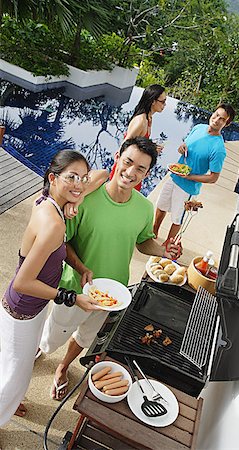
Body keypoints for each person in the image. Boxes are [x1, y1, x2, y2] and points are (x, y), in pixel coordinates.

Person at [39, 137, 182, 400]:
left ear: (147, 174)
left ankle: (63, 367)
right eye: (128, 162)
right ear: (117, 157)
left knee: (85, 337)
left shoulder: (143, 207)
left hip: (114, 294)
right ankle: (41, 349)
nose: (131, 172)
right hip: (75, 289)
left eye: (140, 168)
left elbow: (143, 242)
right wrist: (81, 267)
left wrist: (164, 250)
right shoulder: (86, 199)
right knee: (51, 338)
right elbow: (64, 241)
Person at [0, 150, 106, 427]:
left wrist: (80, 267)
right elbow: (23, 281)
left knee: (10, 366)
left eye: (82, 178)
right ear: (53, 178)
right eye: (71, 177)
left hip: (28, 307)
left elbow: (102, 175)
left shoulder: (47, 201)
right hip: (23, 308)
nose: (80, 183)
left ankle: (7, 402)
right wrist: (72, 297)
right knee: (17, 375)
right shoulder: (54, 224)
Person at [153, 103, 236, 244]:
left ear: (226, 123)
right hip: (174, 176)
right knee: (161, 206)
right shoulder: (198, 128)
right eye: (216, 115)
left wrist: (189, 177)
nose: (216, 120)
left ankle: (167, 244)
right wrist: (182, 147)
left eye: (222, 119)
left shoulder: (218, 148)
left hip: (187, 188)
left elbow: (213, 177)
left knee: (177, 218)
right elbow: (186, 146)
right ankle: (154, 231)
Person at [109, 84, 167, 191]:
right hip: (126, 172)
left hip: (134, 169)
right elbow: (126, 146)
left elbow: (137, 142)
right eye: (162, 101)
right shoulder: (140, 121)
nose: (165, 104)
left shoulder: (149, 118)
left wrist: (152, 147)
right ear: (153, 101)